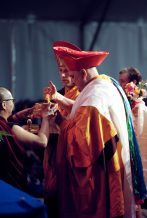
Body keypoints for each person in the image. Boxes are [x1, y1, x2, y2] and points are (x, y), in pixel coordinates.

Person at [44, 41, 146, 218]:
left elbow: (81, 145)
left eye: (74, 77)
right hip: (109, 163)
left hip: (98, 176)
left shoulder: (94, 98)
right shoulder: (104, 84)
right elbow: (80, 111)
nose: (73, 82)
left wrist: (57, 121)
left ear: (83, 73)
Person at [43, 41, 80, 218]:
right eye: (61, 71)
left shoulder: (83, 93)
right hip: (55, 147)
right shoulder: (57, 92)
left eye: (67, 70)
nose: (64, 75)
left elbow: (81, 118)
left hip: (73, 152)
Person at [0, 87, 50, 194]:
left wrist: (19, 115)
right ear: (4, 105)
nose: (13, 103)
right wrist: (46, 117)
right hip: (12, 185)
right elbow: (42, 142)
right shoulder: (12, 129)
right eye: (12, 101)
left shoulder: (4, 126)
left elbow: (5, 124)